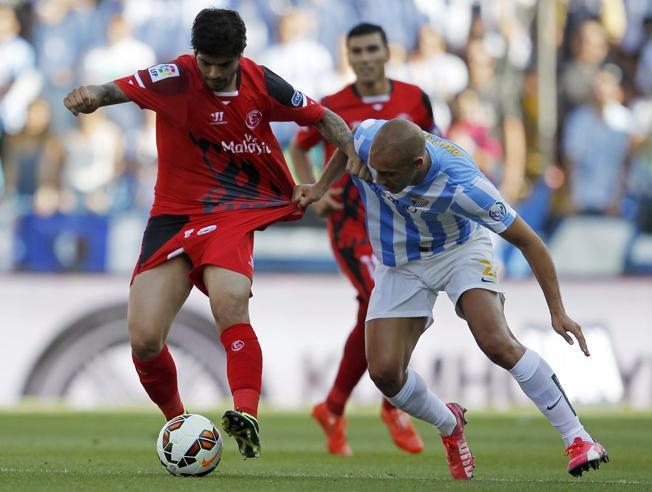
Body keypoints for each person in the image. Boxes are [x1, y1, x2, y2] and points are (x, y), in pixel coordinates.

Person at [63, 8, 360, 460]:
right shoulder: (172, 77)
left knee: (230, 298)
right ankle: (179, 425)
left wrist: (323, 185)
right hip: (173, 217)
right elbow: (113, 89)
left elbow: (331, 123)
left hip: (233, 214)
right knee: (144, 339)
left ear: (241, 55)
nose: (215, 73)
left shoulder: (264, 83)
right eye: (207, 63)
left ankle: (247, 413)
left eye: (224, 64)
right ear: (195, 54)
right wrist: (90, 96)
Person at [295, 118, 609, 479]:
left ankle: (579, 438)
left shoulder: (465, 183)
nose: (378, 182)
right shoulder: (370, 139)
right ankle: (450, 425)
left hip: (459, 251)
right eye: (376, 172)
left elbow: (530, 242)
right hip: (401, 262)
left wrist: (558, 311)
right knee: (384, 373)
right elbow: (345, 141)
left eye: (389, 175)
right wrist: (320, 187)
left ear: (418, 164)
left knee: (495, 341)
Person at [289, 22, 435, 456]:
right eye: (357, 51)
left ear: (387, 51)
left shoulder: (415, 98)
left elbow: (433, 148)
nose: (366, 57)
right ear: (348, 57)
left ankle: (332, 408)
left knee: (384, 310)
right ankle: (395, 400)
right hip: (353, 226)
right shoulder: (333, 104)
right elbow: (300, 145)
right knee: (383, 301)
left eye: (372, 48)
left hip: (400, 224)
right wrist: (315, 190)